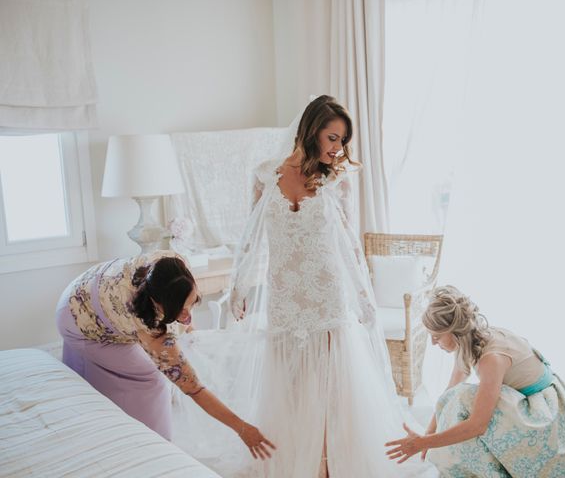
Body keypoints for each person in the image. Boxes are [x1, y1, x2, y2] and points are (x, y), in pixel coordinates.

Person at [177, 95, 428, 477]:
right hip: (284, 297)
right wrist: (239, 287)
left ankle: (327, 466)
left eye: (342, 141)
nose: (338, 148)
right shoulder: (265, 174)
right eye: (332, 138)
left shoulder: (338, 182)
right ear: (311, 132)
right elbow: (251, 236)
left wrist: (364, 299)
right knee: (291, 388)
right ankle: (297, 460)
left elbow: (349, 246)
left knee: (330, 390)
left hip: (326, 296)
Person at [55, 251, 275, 460]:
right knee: (151, 377)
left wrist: (190, 328)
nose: (188, 314)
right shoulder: (148, 327)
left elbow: (183, 306)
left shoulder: (172, 263)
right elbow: (194, 388)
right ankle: (154, 448)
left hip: (87, 286)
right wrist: (242, 428)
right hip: (77, 319)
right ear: (159, 306)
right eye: (179, 311)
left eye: (193, 302)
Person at [385, 285, 565, 477]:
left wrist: (423, 443)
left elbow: (477, 425)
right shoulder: (471, 340)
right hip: (532, 400)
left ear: (454, 333)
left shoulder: (491, 359)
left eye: (436, 336)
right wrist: (427, 436)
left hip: (545, 412)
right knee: (454, 398)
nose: (434, 343)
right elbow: (448, 391)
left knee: (463, 401)